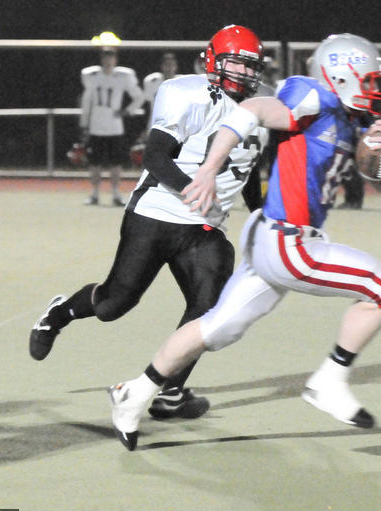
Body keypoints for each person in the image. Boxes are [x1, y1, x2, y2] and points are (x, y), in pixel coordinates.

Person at [108, 33, 381, 451]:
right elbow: (251, 109)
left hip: (274, 240)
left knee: (217, 328)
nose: (375, 88)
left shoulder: (351, 120)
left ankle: (133, 393)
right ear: (342, 76)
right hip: (290, 242)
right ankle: (330, 379)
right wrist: (208, 170)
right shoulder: (313, 97)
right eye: (370, 79)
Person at [30, 25, 267, 420]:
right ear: (213, 62)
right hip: (157, 212)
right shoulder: (187, 93)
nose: (243, 73)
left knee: (210, 309)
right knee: (113, 305)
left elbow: (248, 166)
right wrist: (192, 188)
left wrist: (261, 213)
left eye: (250, 66)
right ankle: (59, 314)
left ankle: (171, 391)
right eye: (236, 64)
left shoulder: (262, 110)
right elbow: (155, 156)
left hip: (205, 227)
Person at [79, 39, 145, 206]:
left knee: (116, 163)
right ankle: (94, 194)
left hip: (115, 126)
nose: (108, 60)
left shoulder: (123, 77)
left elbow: (139, 96)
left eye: (111, 57)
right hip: (96, 126)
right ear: (101, 59)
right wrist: (84, 123)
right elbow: (87, 100)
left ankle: (116, 193)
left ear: (115, 60)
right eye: (105, 57)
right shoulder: (92, 76)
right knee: (95, 163)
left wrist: (126, 111)